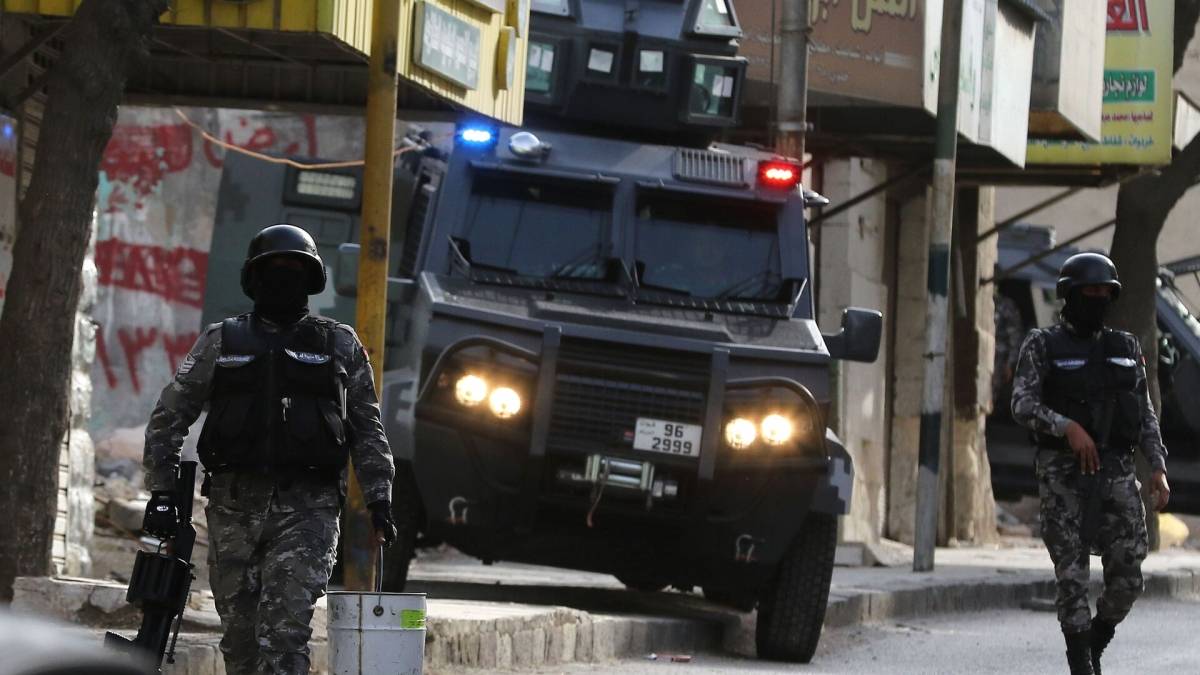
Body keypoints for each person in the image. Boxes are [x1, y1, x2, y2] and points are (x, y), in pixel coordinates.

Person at [140, 224, 397, 675]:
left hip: (309, 513)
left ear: (311, 280)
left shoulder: (338, 343)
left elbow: (367, 428)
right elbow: (169, 416)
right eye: (273, 270)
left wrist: (379, 499)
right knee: (240, 644)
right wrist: (162, 492)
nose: (283, 279)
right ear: (254, 279)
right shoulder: (221, 341)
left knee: (284, 638)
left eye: (294, 270)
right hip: (233, 511)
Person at [1011, 252, 1170, 675]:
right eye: (1089, 292)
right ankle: (1080, 662)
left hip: (1117, 473)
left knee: (1129, 576)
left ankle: (1095, 641)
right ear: (1070, 295)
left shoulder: (1125, 347)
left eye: (1105, 292)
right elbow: (1022, 404)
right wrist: (1066, 427)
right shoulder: (1042, 344)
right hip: (1063, 476)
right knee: (1072, 576)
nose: (1097, 299)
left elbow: (1145, 413)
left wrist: (1157, 466)